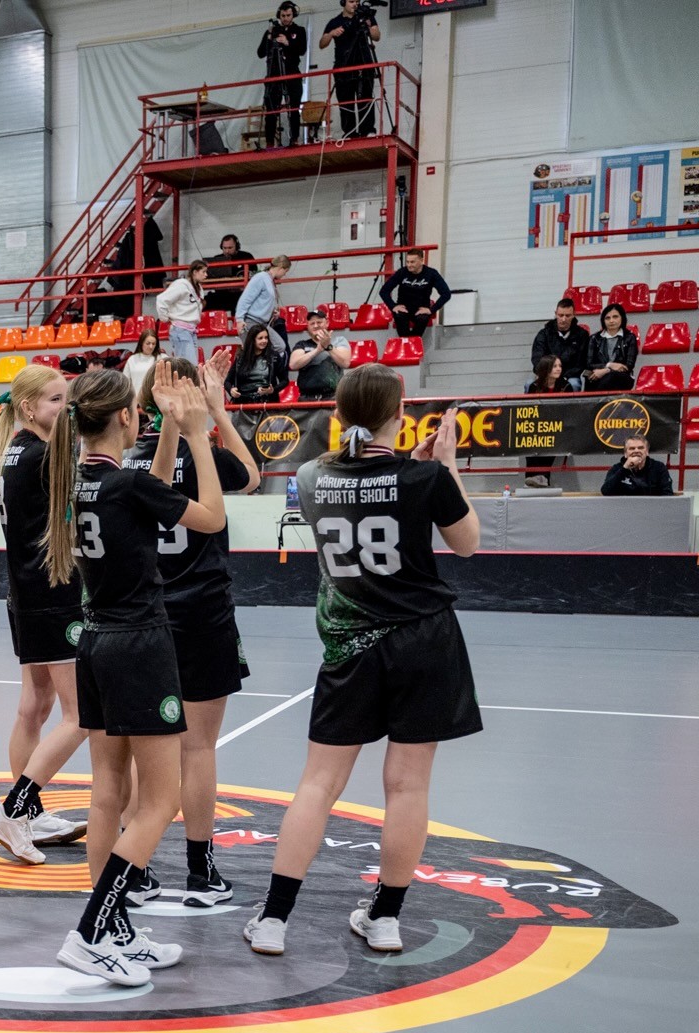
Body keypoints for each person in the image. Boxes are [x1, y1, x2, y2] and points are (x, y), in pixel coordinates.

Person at [245, 364, 480, 956]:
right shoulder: (425, 477)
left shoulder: (310, 475)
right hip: (425, 642)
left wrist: (411, 468)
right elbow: (467, 543)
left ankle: (274, 920)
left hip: (351, 646)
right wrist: (443, 465)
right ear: (400, 414)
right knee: (407, 786)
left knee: (318, 783)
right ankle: (386, 918)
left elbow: (363, 483)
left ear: (339, 414)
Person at [46, 365, 227, 986]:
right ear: (126, 417)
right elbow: (211, 517)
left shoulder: (79, 480)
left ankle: (115, 929)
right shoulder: (127, 485)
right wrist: (197, 432)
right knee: (160, 801)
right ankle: (91, 931)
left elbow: (148, 492)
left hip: (95, 641)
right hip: (140, 646)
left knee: (107, 792)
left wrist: (170, 430)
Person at [125, 356, 261, 906]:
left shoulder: (130, 463)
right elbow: (251, 475)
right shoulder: (204, 457)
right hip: (203, 610)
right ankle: (201, 872)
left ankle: (134, 868)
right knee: (198, 748)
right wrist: (217, 414)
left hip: (146, 613)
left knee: (146, 749)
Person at [0, 365, 89, 863]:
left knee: (34, 708)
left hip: (23, 594)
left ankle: (30, 813)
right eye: (56, 401)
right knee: (80, 714)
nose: (66, 410)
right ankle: (14, 809)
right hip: (52, 595)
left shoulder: (12, 450)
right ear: (28, 407)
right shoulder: (42, 456)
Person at [319, 0, 381, 139]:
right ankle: (349, 132)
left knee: (366, 98)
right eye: (351, 1)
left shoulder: (365, 17)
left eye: (357, 1)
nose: (355, 4)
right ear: (344, 2)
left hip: (364, 64)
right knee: (346, 100)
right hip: (343, 66)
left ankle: (367, 130)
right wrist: (331, 34)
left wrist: (369, 25)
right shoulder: (335, 22)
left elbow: (377, 36)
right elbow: (322, 44)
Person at [259, 3, 307, 148]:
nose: (285, 18)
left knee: (294, 108)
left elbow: (302, 50)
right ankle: (269, 142)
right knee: (271, 110)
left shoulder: (299, 30)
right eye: (283, 16)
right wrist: (268, 38)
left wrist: (287, 42)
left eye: (288, 15)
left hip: (292, 73)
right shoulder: (272, 31)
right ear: (279, 15)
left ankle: (294, 138)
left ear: (293, 15)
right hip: (274, 74)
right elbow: (260, 53)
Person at [380, 249, 452, 339]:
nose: (409, 265)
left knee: (422, 320)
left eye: (412, 262)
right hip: (403, 309)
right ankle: (406, 342)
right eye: (407, 262)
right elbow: (384, 291)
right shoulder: (401, 272)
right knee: (399, 317)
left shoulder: (431, 274)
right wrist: (393, 306)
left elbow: (446, 294)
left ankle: (413, 342)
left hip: (421, 309)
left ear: (421, 260)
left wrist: (431, 310)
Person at [522, 357, 568, 487]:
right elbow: (529, 409)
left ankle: (543, 477)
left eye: (560, 366)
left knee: (552, 436)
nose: (559, 369)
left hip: (557, 424)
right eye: (555, 366)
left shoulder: (566, 386)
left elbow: (569, 409)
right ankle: (531, 477)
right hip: (538, 423)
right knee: (530, 436)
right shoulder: (534, 386)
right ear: (546, 369)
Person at [288, 310, 353, 401]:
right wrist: (317, 350)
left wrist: (328, 347)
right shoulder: (301, 344)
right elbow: (293, 365)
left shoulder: (339, 341)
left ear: (327, 323)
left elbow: (345, 363)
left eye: (319, 322)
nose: (316, 326)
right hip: (307, 398)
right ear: (308, 327)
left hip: (334, 397)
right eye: (312, 323)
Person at [235, 255, 291, 353]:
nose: (284, 274)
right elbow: (245, 299)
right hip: (251, 322)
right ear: (281, 268)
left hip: (262, 323)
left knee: (279, 346)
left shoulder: (269, 280)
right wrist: (239, 319)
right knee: (254, 351)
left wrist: (272, 312)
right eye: (285, 271)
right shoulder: (261, 278)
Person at [156, 260, 209, 362]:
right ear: (195, 272)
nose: (206, 275)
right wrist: (164, 318)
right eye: (203, 272)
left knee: (191, 365)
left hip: (191, 330)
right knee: (187, 365)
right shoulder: (181, 285)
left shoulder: (199, 288)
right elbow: (161, 299)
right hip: (180, 330)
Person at [530, 298, 590, 388]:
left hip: (570, 376)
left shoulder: (582, 335)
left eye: (568, 315)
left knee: (574, 384)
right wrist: (548, 374)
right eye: (560, 315)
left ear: (574, 315)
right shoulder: (544, 334)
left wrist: (564, 377)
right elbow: (537, 358)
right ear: (555, 314)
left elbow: (581, 362)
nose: (563, 319)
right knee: (529, 384)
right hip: (547, 374)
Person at [581, 303, 639, 392]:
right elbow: (589, 364)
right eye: (607, 318)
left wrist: (606, 371)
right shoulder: (594, 338)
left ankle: (599, 400)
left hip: (622, 376)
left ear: (622, 318)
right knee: (590, 378)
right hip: (598, 374)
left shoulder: (630, 337)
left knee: (611, 377)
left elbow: (628, 366)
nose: (611, 321)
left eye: (615, 317)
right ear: (603, 320)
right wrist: (609, 365)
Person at [228, 324, 285, 406]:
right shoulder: (241, 358)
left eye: (266, 338)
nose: (264, 341)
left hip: (267, 403)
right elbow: (228, 381)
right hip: (243, 404)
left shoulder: (274, 357)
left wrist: (273, 390)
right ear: (252, 340)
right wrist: (231, 390)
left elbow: (284, 380)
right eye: (260, 338)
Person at [601, 437, 674, 496]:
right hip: (625, 508)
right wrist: (625, 468)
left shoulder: (659, 468)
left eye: (640, 448)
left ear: (647, 452)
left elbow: (667, 494)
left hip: (651, 507)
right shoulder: (617, 468)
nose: (636, 451)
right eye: (632, 448)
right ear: (625, 453)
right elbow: (605, 492)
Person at [203, 236, 252, 315]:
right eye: (224, 248)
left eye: (230, 248)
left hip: (240, 293)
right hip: (222, 294)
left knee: (240, 303)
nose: (227, 251)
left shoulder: (247, 256)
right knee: (205, 302)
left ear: (237, 246)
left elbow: (254, 274)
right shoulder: (217, 259)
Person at [122, 329, 162, 400]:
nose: (151, 347)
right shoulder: (132, 359)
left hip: (155, 401)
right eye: (148, 343)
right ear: (141, 343)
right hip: (136, 400)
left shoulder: (162, 358)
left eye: (153, 344)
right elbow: (125, 382)